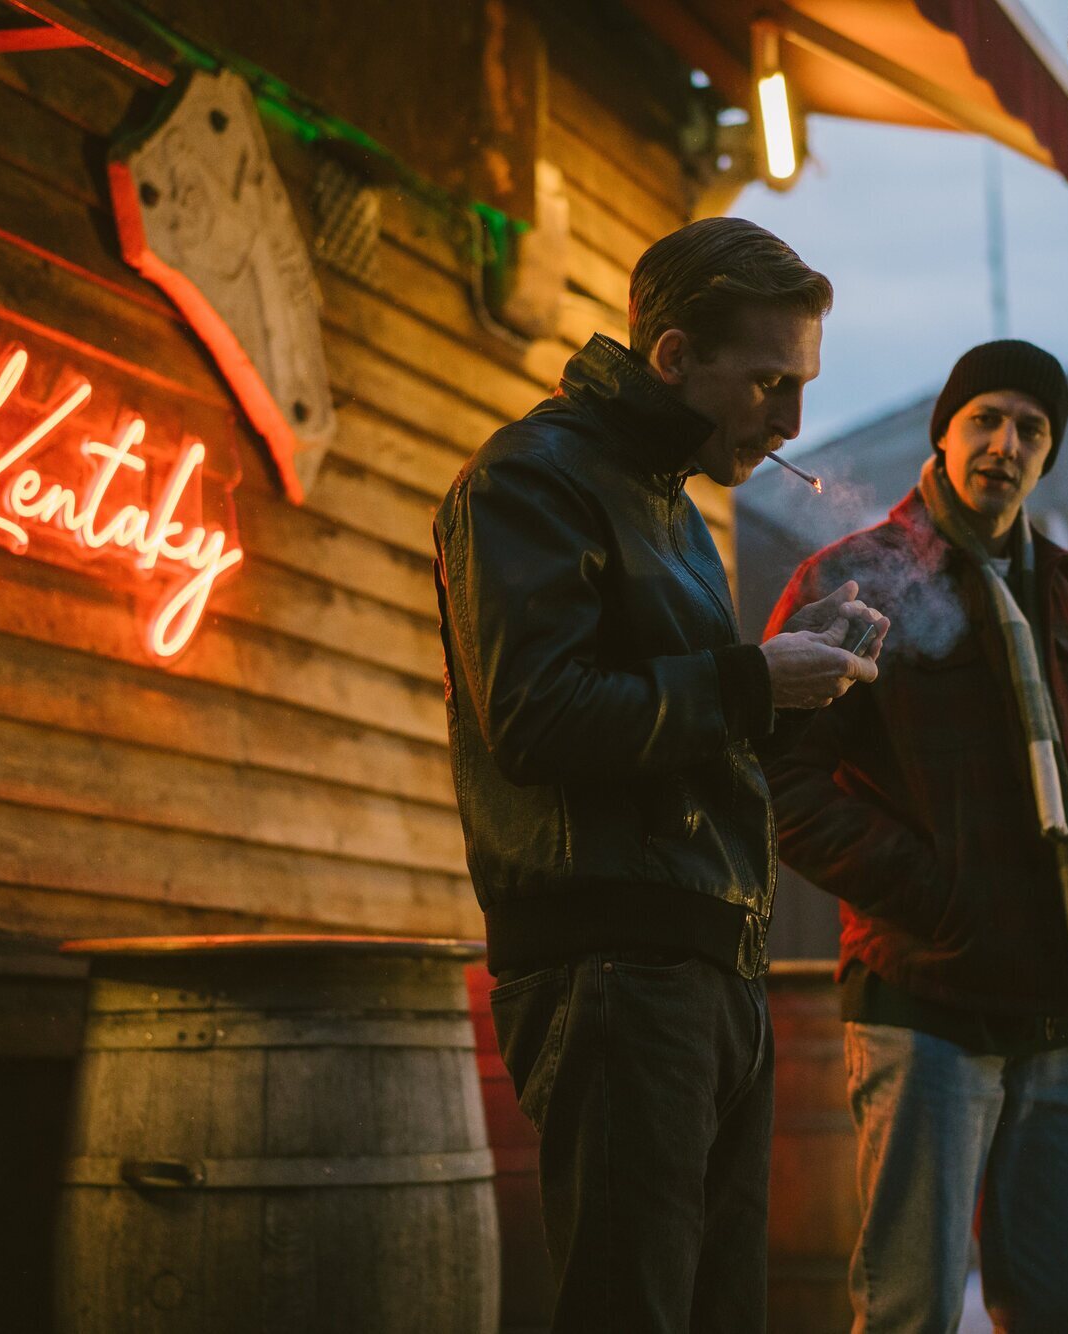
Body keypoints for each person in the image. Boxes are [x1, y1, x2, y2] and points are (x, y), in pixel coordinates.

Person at [433, 217, 889, 1334]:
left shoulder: (679, 510)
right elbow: (537, 719)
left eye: (803, 385)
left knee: (717, 1307)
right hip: (615, 967)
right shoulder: (527, 481)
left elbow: (682, 723)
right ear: (675, 357)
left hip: (706, 963)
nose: (790, 421)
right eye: (769, 382)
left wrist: (790, 679)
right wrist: (744, 683)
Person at [763, 339, 1068, 1333]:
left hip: (1063, 1010)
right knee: (910, 1306)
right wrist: (934, 891)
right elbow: (777, 773)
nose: (1005, 442)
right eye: (984, 416)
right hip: (924, 998)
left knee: (1057, 1303)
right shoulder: (859, 579)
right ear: (943, 431)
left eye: (1031, 428)